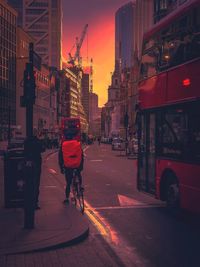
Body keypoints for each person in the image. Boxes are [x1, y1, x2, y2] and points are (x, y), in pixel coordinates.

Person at [58, 133, 84, 204]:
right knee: (78, 174)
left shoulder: (63, 145)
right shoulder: (77, 144)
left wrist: (61, 167)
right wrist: (81, 166)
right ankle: (80, 187)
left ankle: (66, 198)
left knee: (68, 183)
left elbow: (60, 158)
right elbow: (81, 155)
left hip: (68, 166)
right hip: (77, 165)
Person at [24, 129, 45, 209]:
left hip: (28, 163)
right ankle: (35, 202)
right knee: (36, 183)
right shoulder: (37, 141)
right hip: (36, 163)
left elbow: (24, 151)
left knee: (28, 182)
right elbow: (43, 149)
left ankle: (27, 201)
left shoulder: (26, 141)